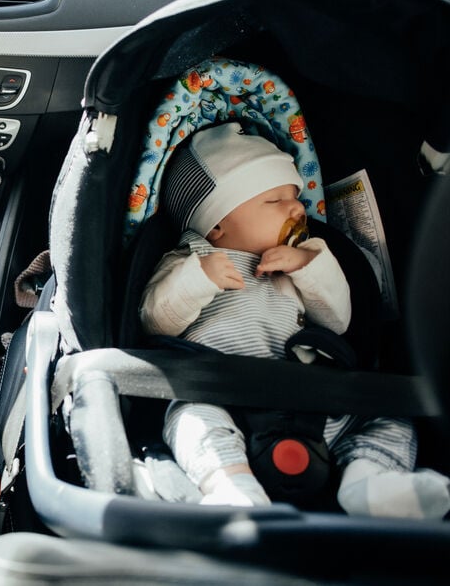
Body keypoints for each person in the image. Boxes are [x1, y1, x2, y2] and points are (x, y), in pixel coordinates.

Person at [139, 121, 450, 519]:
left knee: (388, 417)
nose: (297, 207)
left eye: (296, 196)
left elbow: (338, 321)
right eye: (274, 200)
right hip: (220, 392)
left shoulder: (309, 255)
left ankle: (368, 482)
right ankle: (230, 484)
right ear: (216, 224)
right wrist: (199, 279)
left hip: (312, 398)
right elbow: (155, 321)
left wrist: (307, 267)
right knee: (190, 419)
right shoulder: (188, 260)